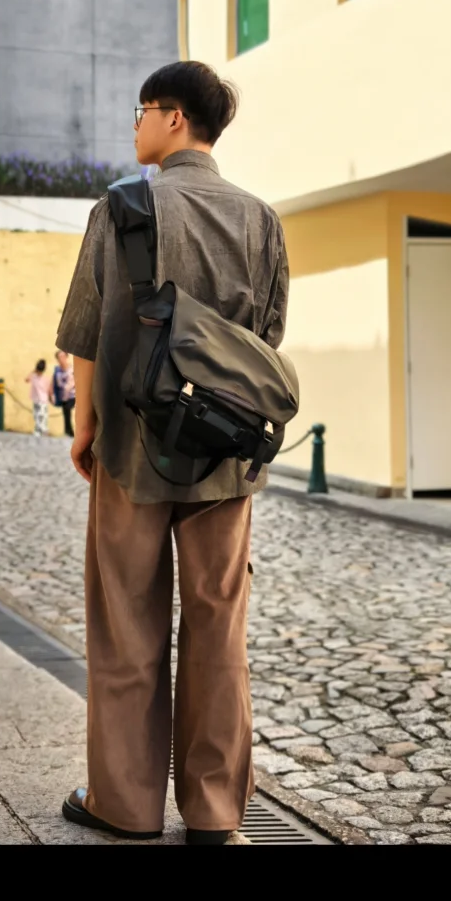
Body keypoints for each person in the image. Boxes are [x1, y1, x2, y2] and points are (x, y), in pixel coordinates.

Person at [55, 61, 289, 846]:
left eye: (142, 111)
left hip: (131, 445)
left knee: (127, 621)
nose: (136, 125)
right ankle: (216, 814)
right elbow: (267, 338)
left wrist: (85, 425)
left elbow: (85, 331)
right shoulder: (260, 220)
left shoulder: (120, 208)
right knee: (219, 628)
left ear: (174, 118)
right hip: (223, 452)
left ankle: (123, 804)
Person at [51, 350, 76, 437]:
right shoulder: (57, 371)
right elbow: (53, 383)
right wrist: (52, 395)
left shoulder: (72, 369)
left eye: (63, 356)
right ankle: (68, 431)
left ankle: (72, 432)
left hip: (73, 395)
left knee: (69, 408)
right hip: (63, 396)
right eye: (59, 357)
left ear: (66, 357)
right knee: (66, 412)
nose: (61, 359)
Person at [25, 359, 51, 436]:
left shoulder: (45, 378)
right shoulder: (34, 377)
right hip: (36, 399)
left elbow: (49, 389)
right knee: (35, 415)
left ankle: (42, 430)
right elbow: (26, 380)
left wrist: (50, 398)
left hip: (43, 400)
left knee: (42, 415)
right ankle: (39, 430)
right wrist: (33, 371)